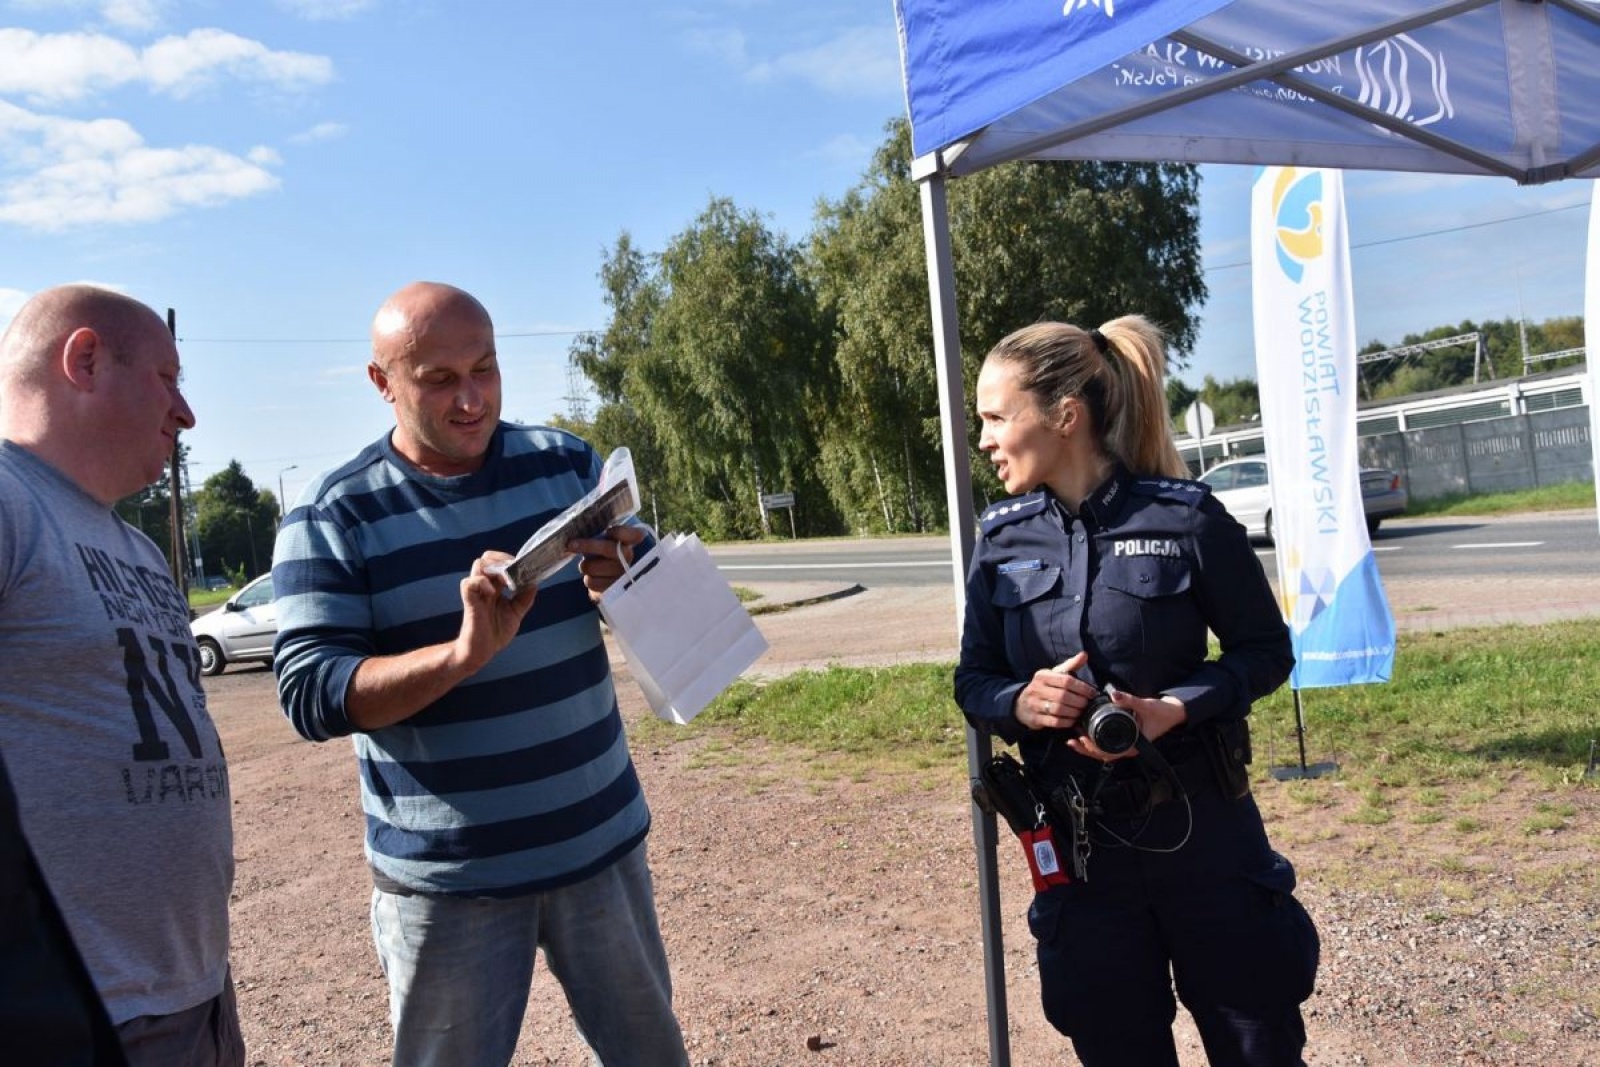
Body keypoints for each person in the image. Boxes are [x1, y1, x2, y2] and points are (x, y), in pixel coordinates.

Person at [272, 281, 689, 1067]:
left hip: (599, 848)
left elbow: (651, 611)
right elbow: (309, 692)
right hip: (446, 883)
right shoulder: (334, 514)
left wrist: (631, 582)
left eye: (486, 369)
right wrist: (463, 655)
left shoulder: (566, 465)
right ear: (381, 382)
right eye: (439, 379)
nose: (471, 399)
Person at [955, 317, 1320, 1067]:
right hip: (1082, 854)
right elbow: (974, 680)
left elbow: (1266, 651)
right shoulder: (1002, 540)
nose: (984, 438)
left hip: (1205, 835)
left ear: (1065, 414)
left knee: (1257, 1044)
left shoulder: (1184, 517)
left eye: (996, 416)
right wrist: (1019, 703)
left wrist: (1177, 706)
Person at [0, 285, 243, 1066]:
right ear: (85, 359)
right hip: (74, 1014)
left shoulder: (136, 549)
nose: (186, 412)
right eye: (168, 378)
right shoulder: (9, 505)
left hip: (193, 990)